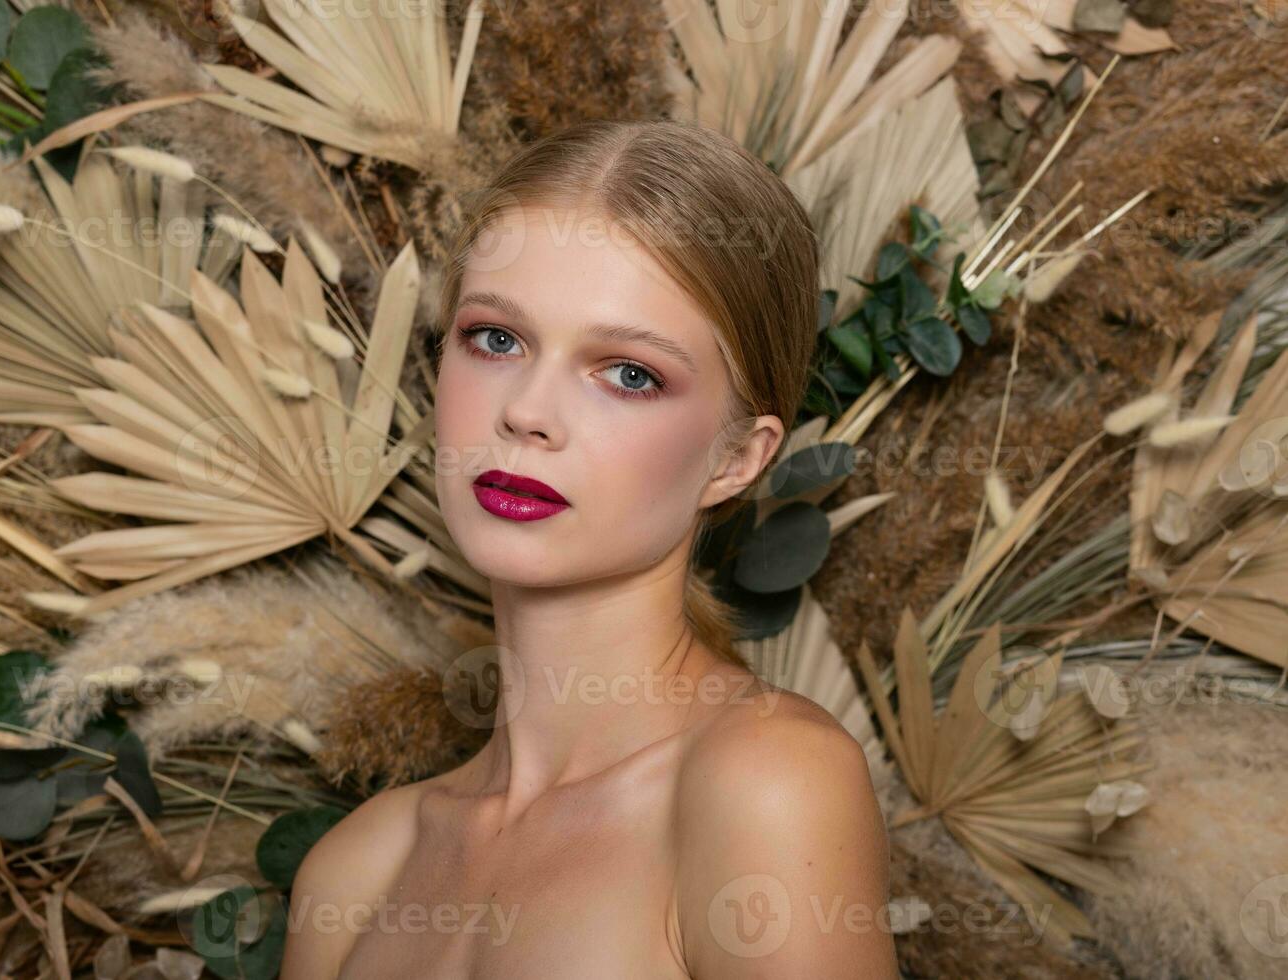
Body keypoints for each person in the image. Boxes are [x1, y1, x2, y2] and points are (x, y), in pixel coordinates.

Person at [280, 118, 898, 978]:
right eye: (496, 339)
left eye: (629, 373)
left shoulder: (767, 783)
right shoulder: (356, 871)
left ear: (735, 459)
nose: (527, 410)